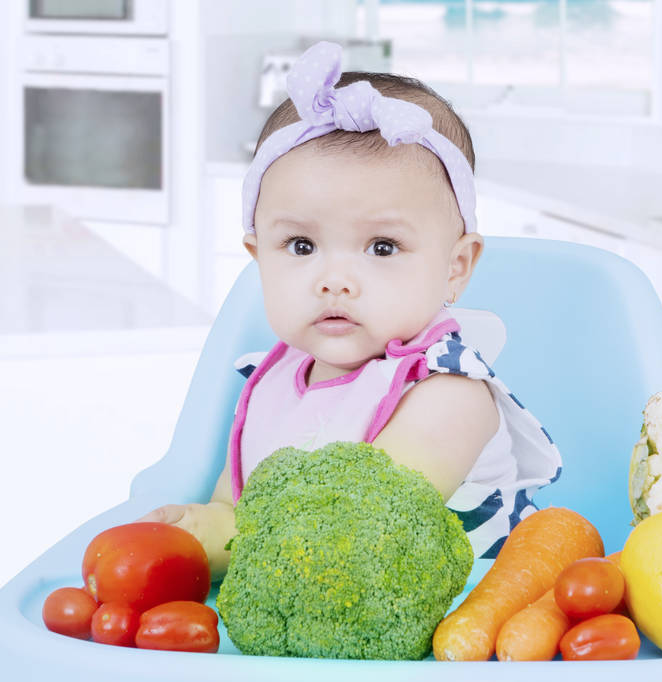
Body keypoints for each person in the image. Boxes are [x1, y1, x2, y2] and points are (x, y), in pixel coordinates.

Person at [138, 41, 561, 581]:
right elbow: (235, 513)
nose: (333, 280)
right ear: (257, 257)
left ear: (456, 266)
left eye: (382, 247)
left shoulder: (449, 392)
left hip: (466, 630)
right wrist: (196, 529)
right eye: (300, 246)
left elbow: (362, 526)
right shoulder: (269, 381)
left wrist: (232, 542)